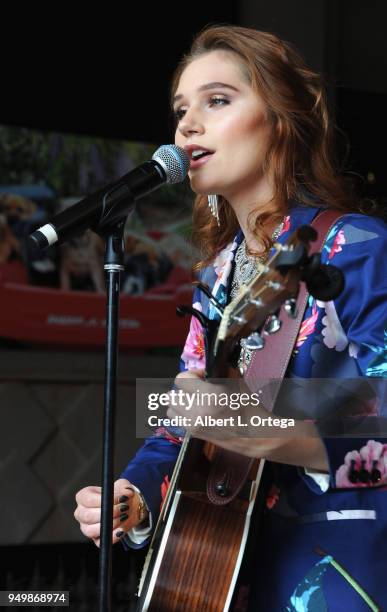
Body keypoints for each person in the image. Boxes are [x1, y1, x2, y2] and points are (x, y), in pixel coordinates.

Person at [74, 25, 386, 609]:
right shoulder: (217, 275)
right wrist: (134, 498)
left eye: (217, 100)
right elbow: (183, 424)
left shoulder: (359, 247)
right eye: (180, 109)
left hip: (342, 575)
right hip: (228, 575)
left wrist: (254, 423)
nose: (187, 124)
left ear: (281, 119)